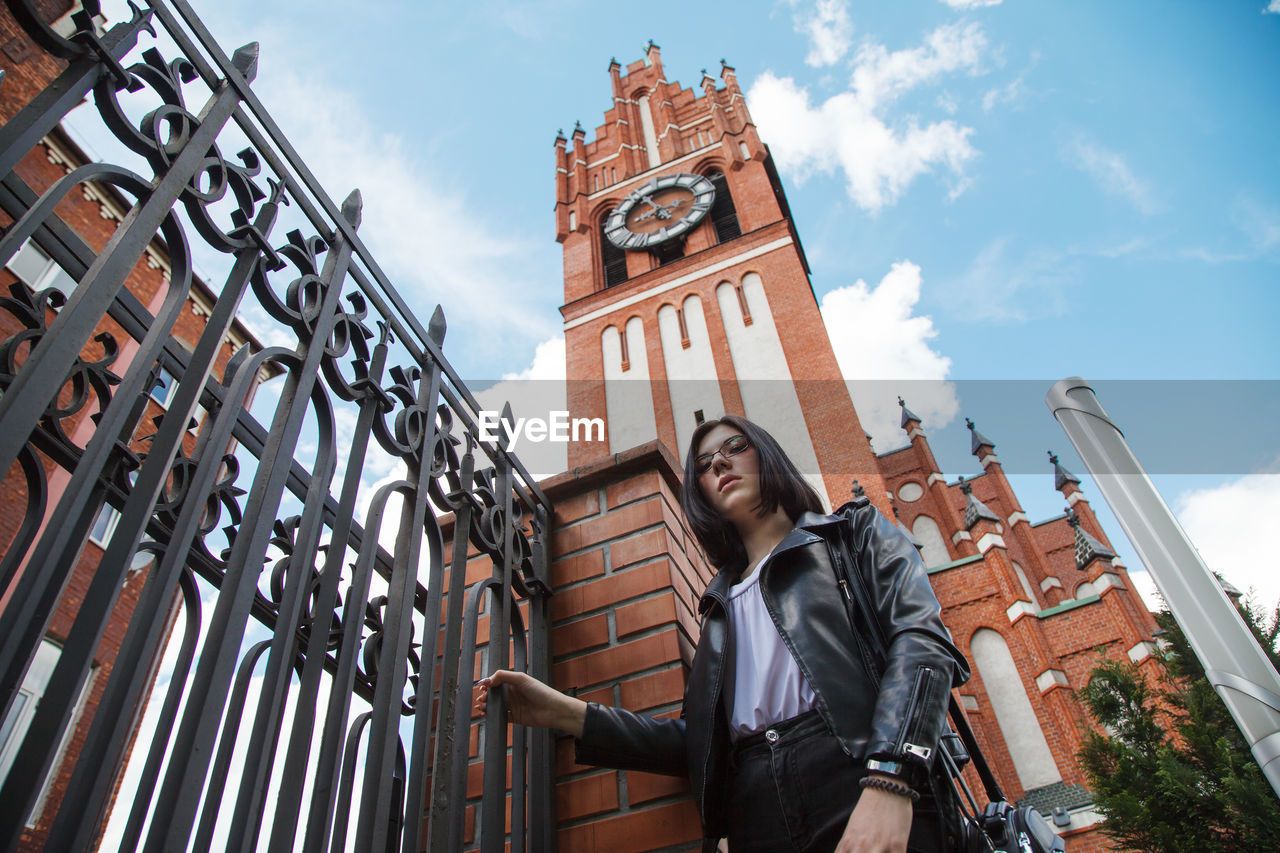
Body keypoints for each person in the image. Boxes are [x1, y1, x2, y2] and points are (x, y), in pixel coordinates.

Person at [475, 415, 971, 852]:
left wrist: (892, 777)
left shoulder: (851, 534)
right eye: (705, 463)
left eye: (735, 448)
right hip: (756, 807)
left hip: (857, 769)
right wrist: (564, 711)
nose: (719, 464)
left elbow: (920, 641)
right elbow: (700, 743)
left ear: (768, 456)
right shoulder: (717, 606)